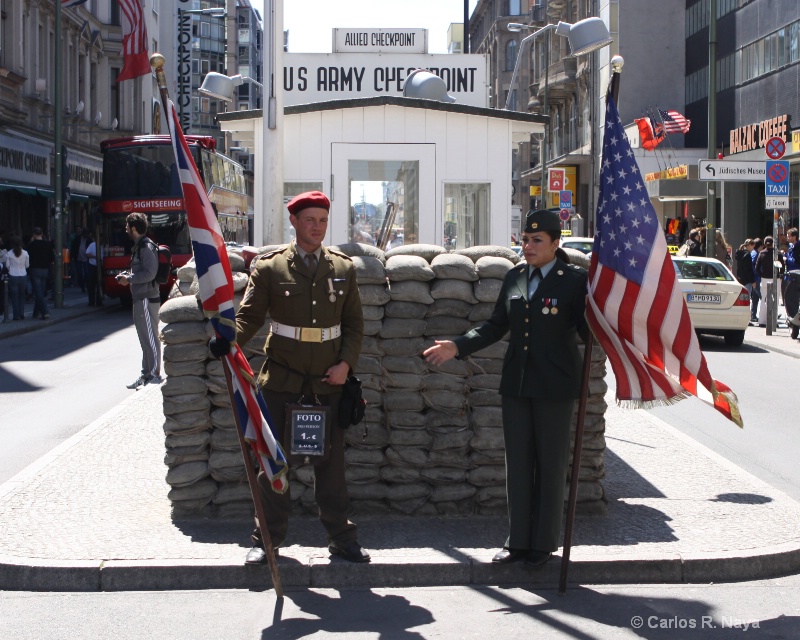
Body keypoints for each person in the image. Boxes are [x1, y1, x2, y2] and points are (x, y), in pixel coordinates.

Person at [423, 209, 589, 569]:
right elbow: (496, 325)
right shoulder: (514, 277)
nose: (527, 246)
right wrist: (457, 346)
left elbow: (591, 331)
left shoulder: (575, 280)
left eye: (536, 241)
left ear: (555, 243)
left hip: (556, 386)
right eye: (525, 240)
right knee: (518, 464)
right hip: (517, 382)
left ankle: (543, 544)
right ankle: (518, 541)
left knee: (549, 463)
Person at [218, 190, 369, 565]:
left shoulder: (343, 268)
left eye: (322, 220)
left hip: (328, 382)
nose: (316, 228)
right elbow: (250, 318)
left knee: (331, 469)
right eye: (309, 220)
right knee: (274, 463)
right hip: (282, 382)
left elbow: (353, 326)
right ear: (295, 223)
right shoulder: (271, 268)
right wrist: (226, 339)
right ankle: (267, 538)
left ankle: (341, 536)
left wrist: (345, 365)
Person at [115, 212, 163, 389]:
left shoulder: (146, 247)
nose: (125, 229)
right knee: (144, 338)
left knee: (150, 337)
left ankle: (154, 374)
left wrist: (130, 279)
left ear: (134, 228)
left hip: (146, 298)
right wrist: (129, 276)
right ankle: (146, 373)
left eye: (127, 226)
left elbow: (150, 273)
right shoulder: (140, 246)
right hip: (141, 298)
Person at [755, 236, 783, 327]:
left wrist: (761, 275)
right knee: (775, 300)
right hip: (776, 279)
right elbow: (781, 267)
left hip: (764, 278)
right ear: (773, 243)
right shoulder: (777, 254)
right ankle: (773, 321)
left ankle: (762, 321)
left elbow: (757, 267)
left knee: (764, 299)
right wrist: (780, 275)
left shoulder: (762, 253)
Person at [26, 227, 53, 320]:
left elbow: (27, 258)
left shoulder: (31, 245)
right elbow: (52, 257)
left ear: (33, 234)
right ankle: (35, 313)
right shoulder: (48, 244)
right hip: (45, 269)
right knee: (41, 291)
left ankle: (45, 312)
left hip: (35, 269)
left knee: (38, 292)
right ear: (42, 234)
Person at [4, 237, 29, 321]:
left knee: (14, 296)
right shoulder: (25, 253)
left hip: (13, 275)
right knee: (22, 296)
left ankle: (16, 315)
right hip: (23, 275)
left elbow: (7, 266)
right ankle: (22, 313)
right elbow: (27, 265)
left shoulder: (9, 253)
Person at [734, 239, 756, 314]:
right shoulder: (747, 255)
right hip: (747, 280)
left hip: (740, 279)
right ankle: (746, 315)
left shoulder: (739, 254)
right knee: (747, 299)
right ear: (749, 245)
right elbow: (748, 270)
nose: (753, 249)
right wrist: (753, 281)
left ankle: (739, 314)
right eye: (753, 247)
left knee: (740, 299)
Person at [750, 238, 763, 323]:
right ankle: (770, 313)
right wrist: (757, 273)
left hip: (755, 278)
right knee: (763, 296)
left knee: (755, 298)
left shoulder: (753, 253)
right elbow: (753, 265)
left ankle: (753, 315)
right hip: (756, 278)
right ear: (760, 246)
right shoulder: (756, 254)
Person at [85, 233, 99, 306]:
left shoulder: (104, 245)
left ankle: (99, 300)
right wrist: (95, 256)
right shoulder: (92, 245)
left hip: (101, 266)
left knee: (99, 284)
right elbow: (87, 254)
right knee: (91, 285)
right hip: (92, 266)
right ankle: (91, 301)